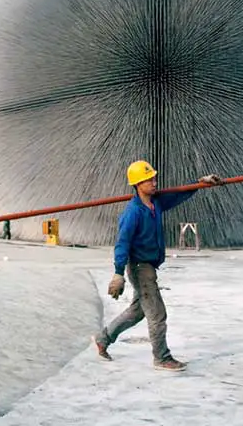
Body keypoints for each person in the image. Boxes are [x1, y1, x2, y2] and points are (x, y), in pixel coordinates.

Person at [92, 159, 223, 371]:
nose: (154, 182)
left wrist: (201, 183)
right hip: (139, 268)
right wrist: (118, 273)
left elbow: (179, 194)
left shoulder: (156, 203)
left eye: (153, 177)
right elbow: (122, 244)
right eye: (148, 179)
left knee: (138, 311)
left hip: (149, 266)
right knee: (157, 313)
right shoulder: (133, 213)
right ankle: (161, 357)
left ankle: (103, 339)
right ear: (137, 184)